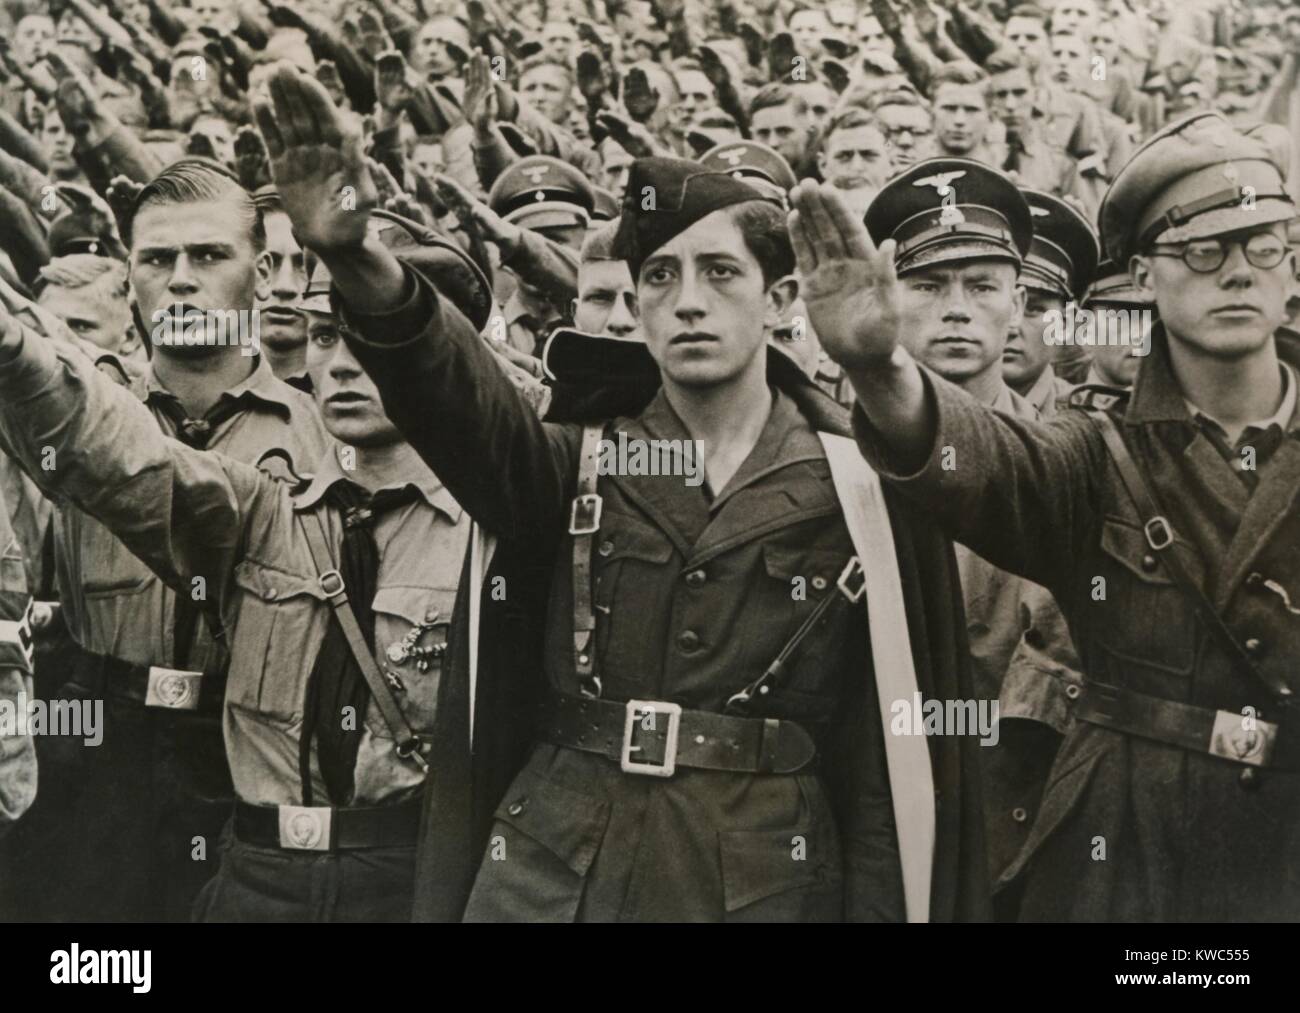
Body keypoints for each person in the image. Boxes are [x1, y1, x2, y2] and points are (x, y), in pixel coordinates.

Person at [244, 65, 988, 923]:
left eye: (719, 274)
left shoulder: (857, 484)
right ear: (634, 303)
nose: (688, 303)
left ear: (781, 299)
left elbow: (883, 774)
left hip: (765, 880)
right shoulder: (570, 458)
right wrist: (353, 255)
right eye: (661, 278)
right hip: (555, 870)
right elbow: (455, 394)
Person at [789, 110, 1300, 921]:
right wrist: (880, 366)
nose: (1236, 272)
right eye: (1202, 250)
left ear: (1293, 269)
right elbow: (982, 461)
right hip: (1126, 859)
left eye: (1262, 245)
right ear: (1145, 273)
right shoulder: (1095, 457)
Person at [0, 218, 487, 922]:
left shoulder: (497, 534)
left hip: (404, 885)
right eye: (324, 335)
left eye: (370, 335)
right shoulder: (266, 514)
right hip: (255, 881)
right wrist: (17, 350)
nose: (342, 362)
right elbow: (123, 453)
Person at [21, 158, 329, 923]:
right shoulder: (81, 419)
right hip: (96, 741)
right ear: (131, 285)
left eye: (208, 256)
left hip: (240, 752)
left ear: (260, 274)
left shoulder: (319, 429)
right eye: (158, 260)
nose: (182, 280)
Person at [1002, 189, 1099, 418]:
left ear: (1065, 323)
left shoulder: (1090, 421)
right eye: (1004, 304)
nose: (1011, 327)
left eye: (1033, 309)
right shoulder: (926, 416)